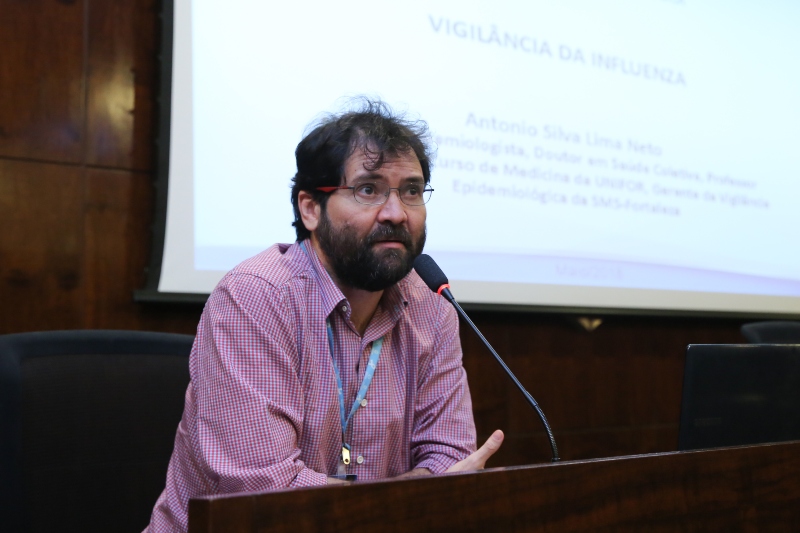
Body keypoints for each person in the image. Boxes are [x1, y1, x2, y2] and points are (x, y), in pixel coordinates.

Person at [145, 100, 503, 531]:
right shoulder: (255, 298)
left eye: (411, 190)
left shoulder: (430, 305)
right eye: (368, 189)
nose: (396, 213)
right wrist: (411, 497)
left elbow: (450, 459)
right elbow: (265, 495)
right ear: (310, 209)